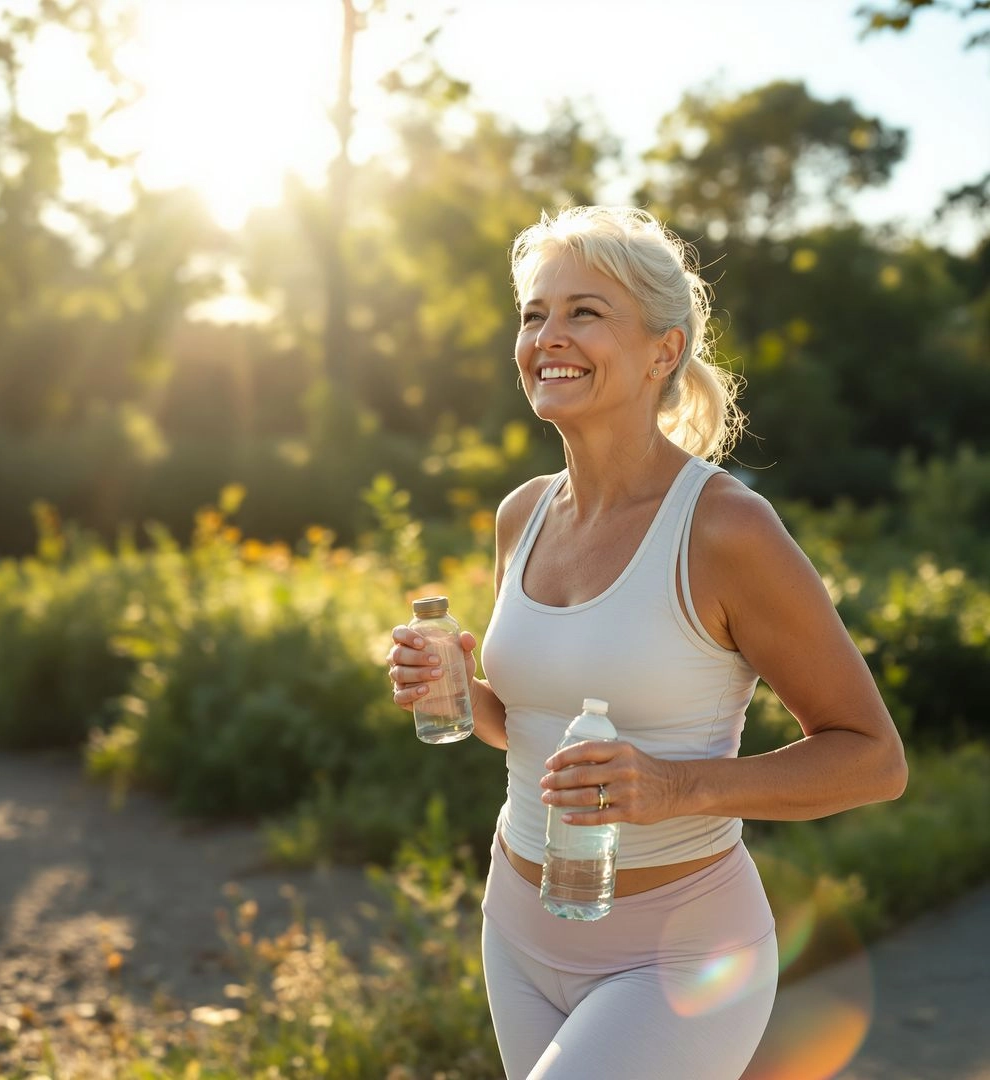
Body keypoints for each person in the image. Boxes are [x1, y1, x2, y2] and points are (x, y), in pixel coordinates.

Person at [385, 205, 907, 1079]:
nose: (549, 335)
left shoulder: (726, 529)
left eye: (585, 311)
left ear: (664, 351)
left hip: (678, 959)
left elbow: (873, 760)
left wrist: (675, 786)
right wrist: (457, 693)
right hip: (515, 929)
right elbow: (542, 734)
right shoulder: (523, 513)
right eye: (534, 313)